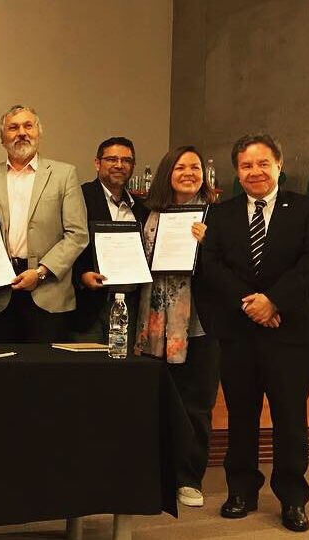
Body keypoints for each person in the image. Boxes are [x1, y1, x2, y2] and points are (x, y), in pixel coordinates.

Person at [196, 133, 309, 532]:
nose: (255, 171)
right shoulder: (220, 214)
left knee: (290, 416)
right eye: (246, 165)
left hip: (291, 331)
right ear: (237, 172)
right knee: (241, 415)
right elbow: (211, 265)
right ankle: (241, 490)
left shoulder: (306, 208)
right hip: (239, 331)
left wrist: (274, 301)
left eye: (262, 163)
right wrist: (252, 304)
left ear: (278, 165)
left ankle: (292, 497)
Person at [134, 146, 218, 508]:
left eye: (195, 167)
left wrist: (208, 245)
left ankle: (189, 478)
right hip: (153, 325)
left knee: (195, 405)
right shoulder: (147, 214)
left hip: (199, 326)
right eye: (181, 167)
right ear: (168, 172)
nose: (188, 173)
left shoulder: (217, 215)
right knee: (154, 400)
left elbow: (230, 268)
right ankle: (155, 472)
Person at [0, 105, 88, 342]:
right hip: (0, 292)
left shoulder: (64, 175)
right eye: (13, 128)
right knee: (1, 362)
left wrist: (41, 272)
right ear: (2, 138)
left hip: (49, 291)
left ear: (39, 132)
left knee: (44, 364)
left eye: (28, 126)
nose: (21, 133)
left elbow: (77, 234)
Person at [71, 137, 149, 344]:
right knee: (88, 362)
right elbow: (64, 241)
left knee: (122, 361)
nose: (119, 165)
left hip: (129, 305)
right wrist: (81, 276)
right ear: (97, 163)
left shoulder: (141, 209)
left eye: (126, 160)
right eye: (112, 159)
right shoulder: (79, 197)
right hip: (90, 305)